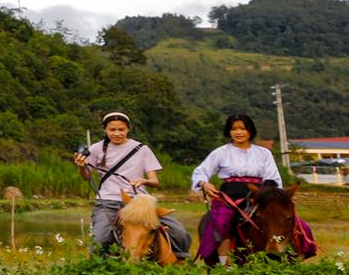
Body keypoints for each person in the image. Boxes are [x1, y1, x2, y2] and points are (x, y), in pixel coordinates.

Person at [72, 110, 191, 256]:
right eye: (112, 130)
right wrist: (81, 166)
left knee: (179, 232)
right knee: (100, 241)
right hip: (108, 201)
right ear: (105, 130)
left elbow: (155, 181)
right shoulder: (96, 149)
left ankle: (179, 261)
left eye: (121, 130)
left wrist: (144, 180)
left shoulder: (142, 149)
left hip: (139, 202)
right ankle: (101, 269)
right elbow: (86, 177)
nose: (117, 133)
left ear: (128, 129)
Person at [190, 112, 285, 263]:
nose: (238, 132)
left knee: (285, 219)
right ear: (229, 131)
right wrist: (204, 184)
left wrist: (274, 197)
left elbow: (273, 178)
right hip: (229, 196)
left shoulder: (264, 153)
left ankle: (293, 255)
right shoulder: (220, 152)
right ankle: (224, 265)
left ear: (250, 130)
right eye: (234, 129)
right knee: (221, 222)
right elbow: (200, 172)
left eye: (243, 128)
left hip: (259, 195)